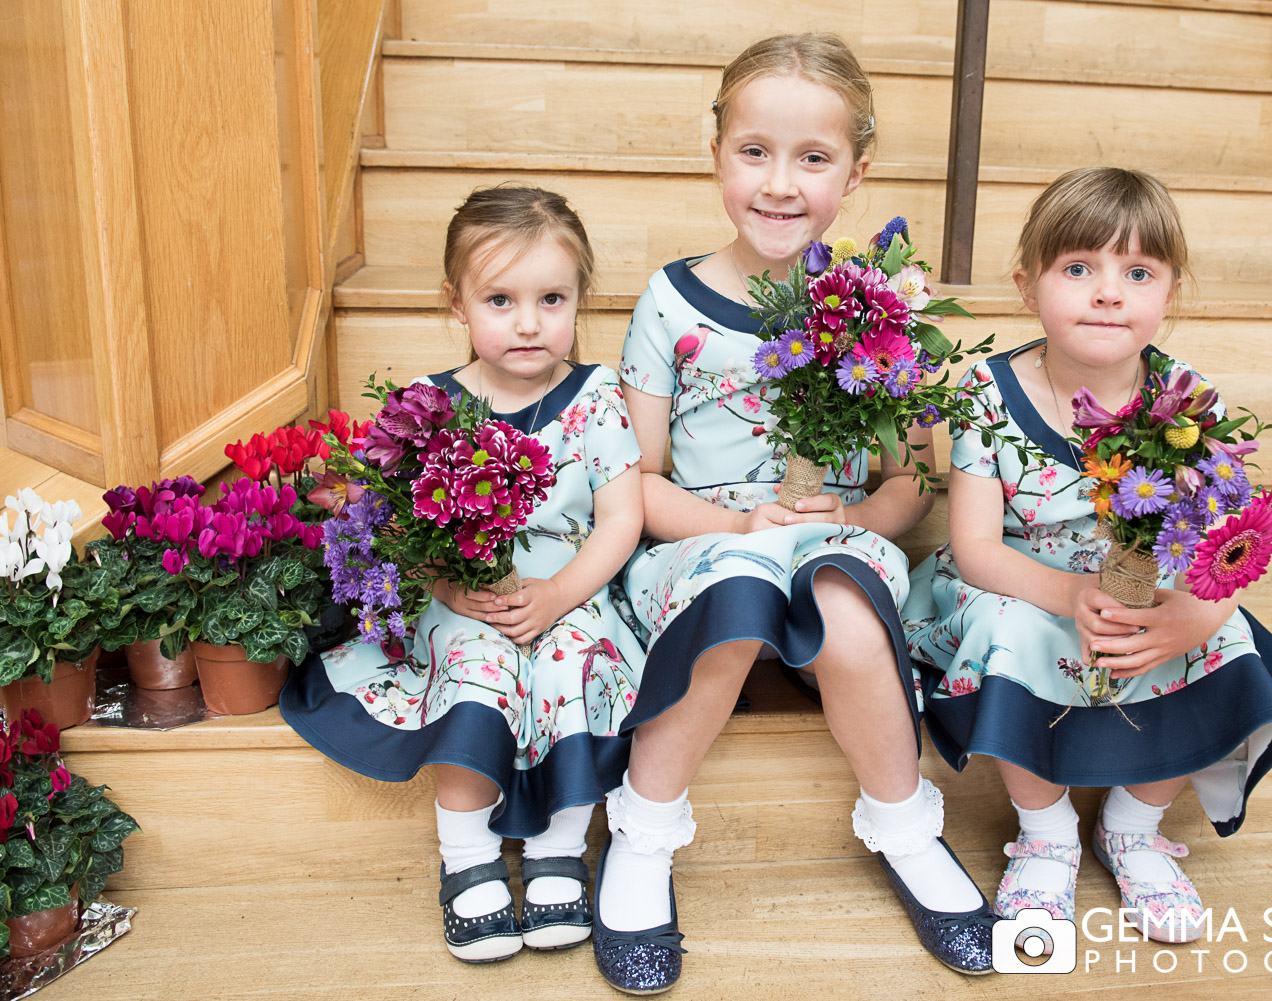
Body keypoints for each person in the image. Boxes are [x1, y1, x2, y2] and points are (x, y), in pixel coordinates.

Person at [597, 33, 996, 995]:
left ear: (857, 171)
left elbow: (913, 483)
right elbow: (634, 484)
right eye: (756, 152)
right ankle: (643, 838)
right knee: (738, 597)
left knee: (849, 611)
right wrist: (741, 530)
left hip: (832, 543)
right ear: (717, 152)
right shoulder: (670, 301)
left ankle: (906, 828)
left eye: (813, 159)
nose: (781, 184)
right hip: (703, 546)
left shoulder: (880, 309)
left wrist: (856, 511)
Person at [904, 166, 1272, 943]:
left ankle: (1134, 823)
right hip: (1020, 580)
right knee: (1012, 631)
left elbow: (1223, 551)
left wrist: (1198, 616)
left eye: (1138, 272)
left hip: (1141, 582)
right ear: (1027, 285)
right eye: (1078, 268)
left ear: (1169, 294)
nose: (1109, 292)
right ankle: (1046, 831)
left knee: (1221, 636)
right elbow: (973, 548)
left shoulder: (1192, 402)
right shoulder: (988, 394)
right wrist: (1068, 595)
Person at [281, 186, 646, 962]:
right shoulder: (431, 406)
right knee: (476, 667)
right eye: (500, 299)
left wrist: (557, 595)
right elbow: (405, 531)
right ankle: (468, 852)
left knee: (568, 664)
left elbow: (621, 520)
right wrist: (447, 590)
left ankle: (557, 845)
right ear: (456, 304)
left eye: (552, 298)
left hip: (568, 589)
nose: (526, 322)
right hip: (464, 599)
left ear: (580, 299)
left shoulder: (596, 400)